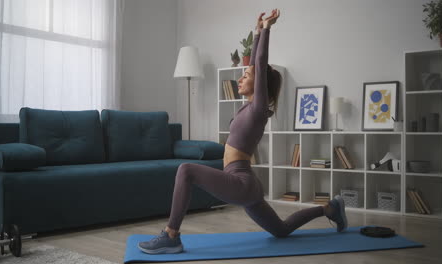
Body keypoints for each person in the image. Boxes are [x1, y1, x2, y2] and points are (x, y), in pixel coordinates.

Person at [138, 9, 348, 255]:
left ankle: (171, 235)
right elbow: (255, 64)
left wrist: (266, 30)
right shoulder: (246, 108)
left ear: (259, 85)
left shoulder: (258, 109)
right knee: (281, 230)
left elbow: (259, 63)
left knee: (186, 170)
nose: (240, 78)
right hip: (246, 184)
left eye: (246, 76)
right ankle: (331, 209)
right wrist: (256, 31)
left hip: (240, 182)